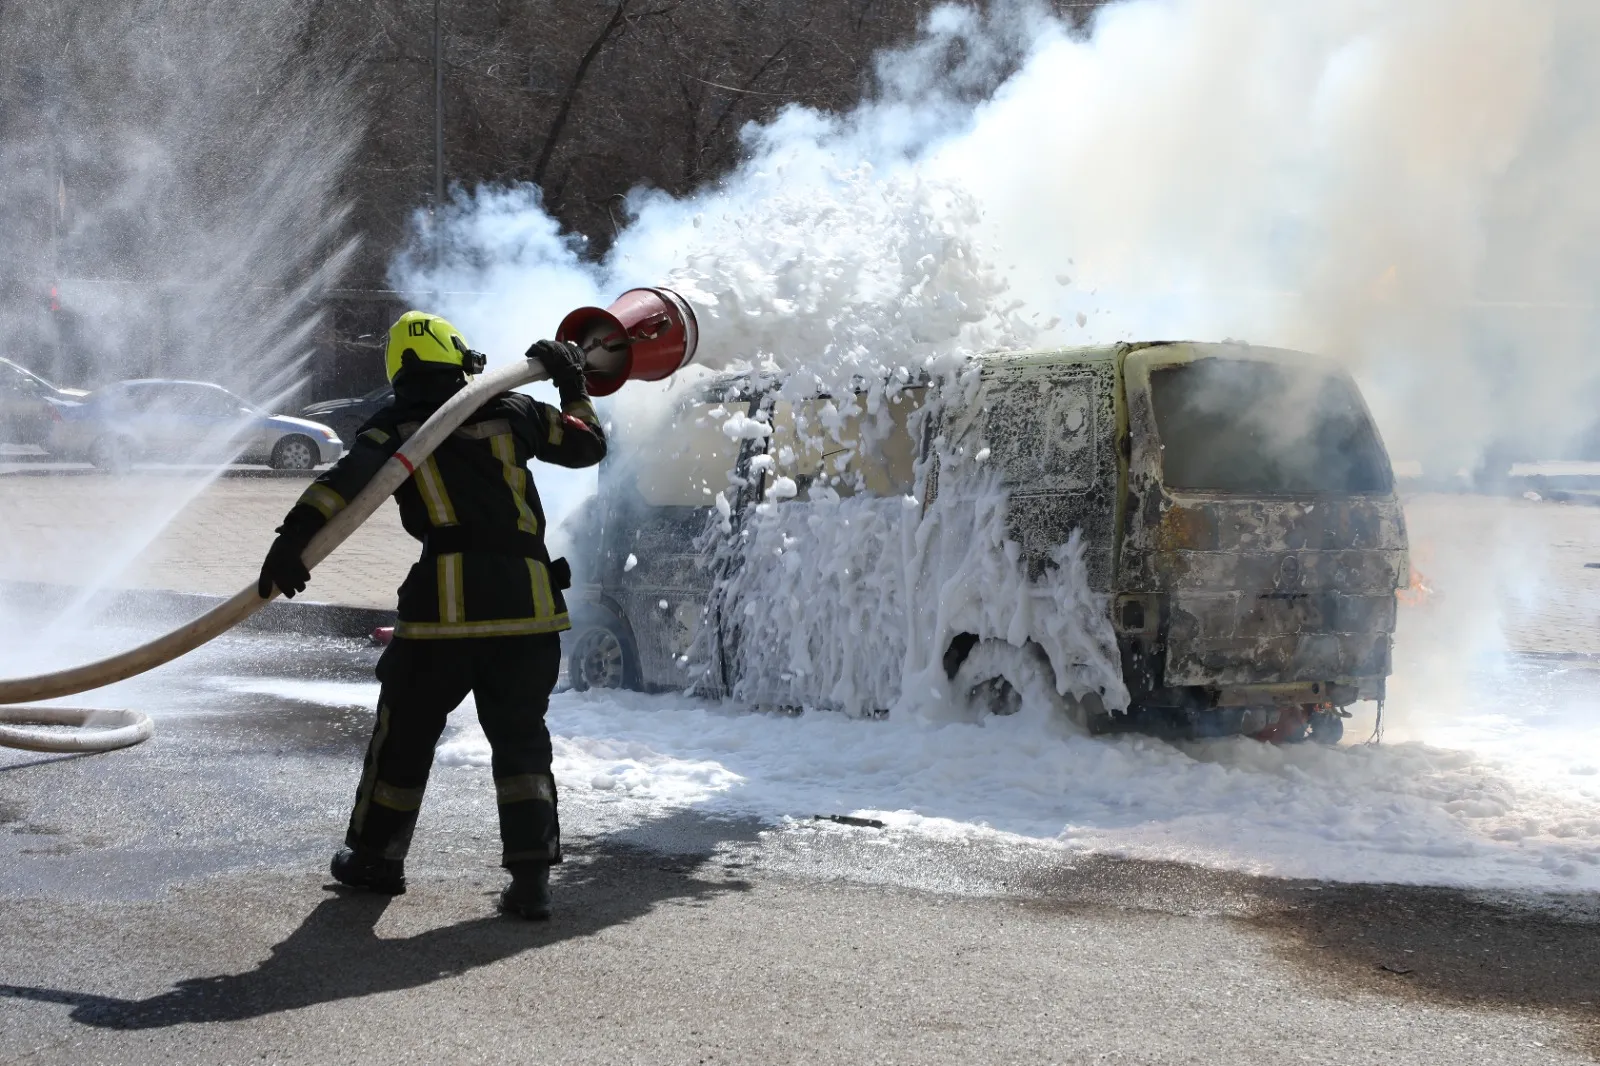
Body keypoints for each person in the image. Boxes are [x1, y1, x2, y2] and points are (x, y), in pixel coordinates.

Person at [257, 311, 605, 920]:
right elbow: (587, 445)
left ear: (399, 370)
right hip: (527, 610)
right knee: (521, 741)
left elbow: (346, 482)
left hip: (443, 610)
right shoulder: (515, 410)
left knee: (406, 734)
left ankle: (374, 859)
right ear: (459, 356)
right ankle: (531, 883)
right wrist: (573, 386)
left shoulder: (394, 424)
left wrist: (293, 540)